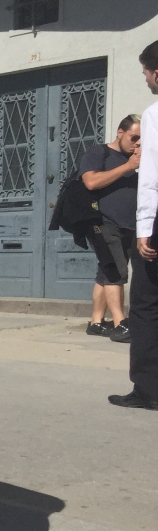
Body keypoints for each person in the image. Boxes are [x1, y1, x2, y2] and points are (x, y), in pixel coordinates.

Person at [111, 42, 158, 410]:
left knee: (145, 303)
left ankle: (148, 389)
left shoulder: (155, 114)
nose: (144, 78)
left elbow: (152, 176)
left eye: (145, 71)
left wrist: (144, 228)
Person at [81, 115, 141, 340]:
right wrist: (128, 166)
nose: (137, 143)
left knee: (106, 271)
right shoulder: (99, 153)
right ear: (120, 132)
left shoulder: (138, 158)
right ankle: (121, 324)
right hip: (103, 222)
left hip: (129, 224)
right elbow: (91, 181)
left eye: (141, 140)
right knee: (116, 271)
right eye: (134, 137)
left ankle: (96, 322)